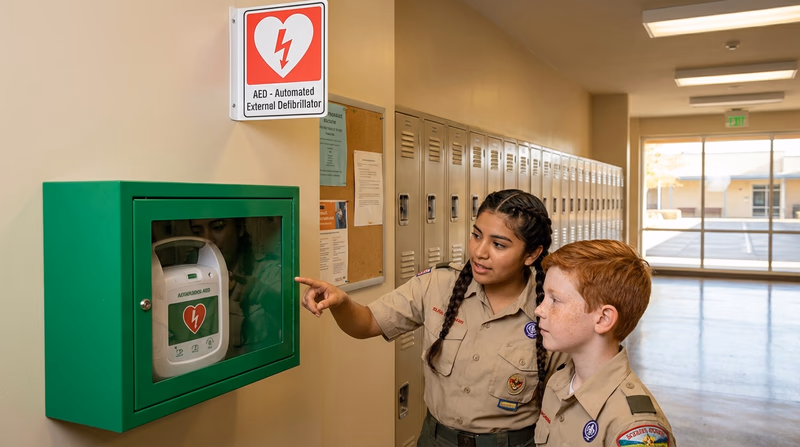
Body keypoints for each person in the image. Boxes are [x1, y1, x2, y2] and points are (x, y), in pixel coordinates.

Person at [296, 189, 568, 447]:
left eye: (498, 244)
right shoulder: (437, 285)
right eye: (476, 235)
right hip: (437, 440)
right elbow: (366, 322)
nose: (479, 252)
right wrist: (341, 302)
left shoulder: (552, 310)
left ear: (531, 254)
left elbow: (569, 404)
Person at [533, 240, 676, 447]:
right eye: (544, 297)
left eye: (555, 300)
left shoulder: (633, 429)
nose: (539, 310)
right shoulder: (558, 383)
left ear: (603, 319)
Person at [189, 217, 282, 357]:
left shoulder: (268, 272)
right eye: (197, 232)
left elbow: (296, 320)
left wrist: (268, 297)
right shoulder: (185, 279)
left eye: (218, 227)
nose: (207, 241)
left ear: (240, 229)